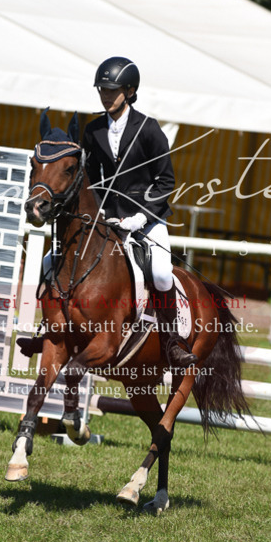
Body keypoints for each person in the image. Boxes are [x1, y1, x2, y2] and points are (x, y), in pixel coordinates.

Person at [82, 56, 192, 371]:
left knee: (159, 273)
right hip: (107, 220)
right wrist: (100, 210)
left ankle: (174, 344)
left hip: (147, 220)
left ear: (129, 91)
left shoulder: (149, 129)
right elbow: (90, 179)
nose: (105, 95)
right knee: (56, 261)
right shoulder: (93, 130)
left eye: (112, 89)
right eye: (102, 89)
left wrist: (141, 217)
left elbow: (166, 181)